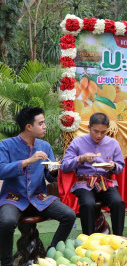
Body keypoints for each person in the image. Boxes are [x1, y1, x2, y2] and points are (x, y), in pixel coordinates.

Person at [0, 107, 76, 266]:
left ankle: (51, 253)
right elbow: (1, 171)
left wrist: (54, 170)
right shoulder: (6, 145)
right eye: (41, 123)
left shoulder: (45, 146)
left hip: (38, 197)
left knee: (68, 215)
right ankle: (6, 263)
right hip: (13, 198)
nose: (45, 126)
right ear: (29, 127)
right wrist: (28, 161)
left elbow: (50, 176)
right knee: (6, 222)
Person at [61, 113, 125, 235]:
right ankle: (88, 239)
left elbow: (120, 167)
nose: (99, 135)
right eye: (95, 131)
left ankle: (118, 238)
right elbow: (64, 166)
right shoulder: (77, 142)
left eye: (103, 132)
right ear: (89, 127)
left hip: (105, 181)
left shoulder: (113, 143)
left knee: (118, 202)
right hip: (84, 182)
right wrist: (81, 159)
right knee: (88, 204)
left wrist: (113, 166)